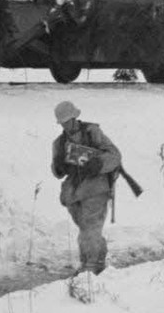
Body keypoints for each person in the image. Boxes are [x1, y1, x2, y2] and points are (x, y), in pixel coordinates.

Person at [51, 100, 122, 276]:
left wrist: (98, 164)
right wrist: (58, 167)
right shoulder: (59, 143)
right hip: (74, 193)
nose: (66, 126)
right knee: (86, 229)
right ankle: (90, 262)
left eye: (68, 121)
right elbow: (56, 171)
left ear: (75, 118)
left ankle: (93, 265)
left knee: (91, 226)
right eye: (63, 123)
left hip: (96, 187)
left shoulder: (93, 132)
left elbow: (115, 156)